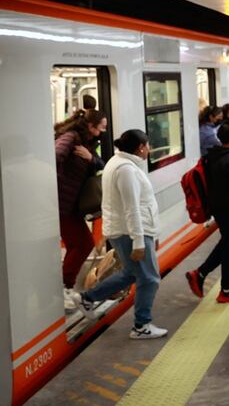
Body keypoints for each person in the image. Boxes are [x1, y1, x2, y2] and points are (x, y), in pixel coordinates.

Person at [70, 130, 167, 339]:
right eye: (148, 145)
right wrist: (139, 241)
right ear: (141, 147)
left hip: (124, 231)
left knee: (132, 274)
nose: (149, 149)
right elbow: (131, 208)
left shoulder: (119, 162)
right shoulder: (126, 170)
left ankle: (88, 298)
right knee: (150, 278)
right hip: (130, 233)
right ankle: (141, 326)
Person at [186, 122, 229, 303]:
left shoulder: (211, 156)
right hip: (228, 207)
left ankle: (199, 273)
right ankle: (227, 289)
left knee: (227, 243)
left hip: (216, 207)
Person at [54, 109, 107, 302]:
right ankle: (63, 287)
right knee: (83, 244)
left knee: (80, 244)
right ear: (90, 126)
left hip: (70, 205)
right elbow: (56, 155)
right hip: (62, 204)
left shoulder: (85, 143)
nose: (102, 131)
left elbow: (100, 163)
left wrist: (89, 157)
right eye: (101, 127)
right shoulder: (71, 138)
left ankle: (64, 286)